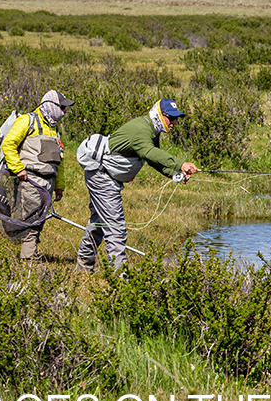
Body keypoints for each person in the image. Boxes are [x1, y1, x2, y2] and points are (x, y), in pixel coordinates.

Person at [76, 99, 198, 274]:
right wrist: (180, 164)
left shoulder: (152, 131)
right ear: (159, 115)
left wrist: (174, 174)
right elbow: (150, 152)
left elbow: (151, 159)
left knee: (99, 223)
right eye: (171, 118)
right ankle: (120, 280)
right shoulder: (142, 129)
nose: (175, 122)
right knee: (116, 228)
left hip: (107, 177)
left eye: (176, 118)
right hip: (102, 176)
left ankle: (83, 268)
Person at [0, 89, 74, 260]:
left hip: (49, 183)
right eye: (62, 107)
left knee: (39, 220)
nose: (65, 111)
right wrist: (18, 169)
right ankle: (28, 259)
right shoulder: (27, 121)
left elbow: (59, 161)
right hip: (30, 180)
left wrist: (59, 186)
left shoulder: (54, 129)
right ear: (52, 106)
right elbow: (8, 144)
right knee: (32, 220)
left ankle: (30, 254)